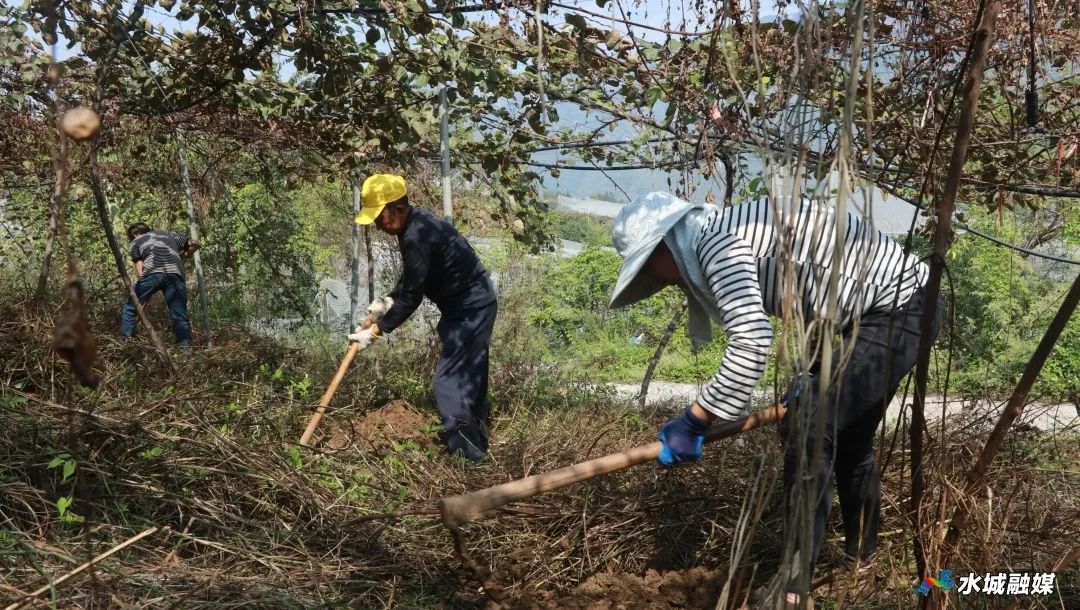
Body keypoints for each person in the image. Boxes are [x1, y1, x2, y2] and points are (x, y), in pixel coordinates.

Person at [608, 192, 941, 609]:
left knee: (810, 431)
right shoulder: (725, 232)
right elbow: (815, 294)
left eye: (647, 267)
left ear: (665, 244)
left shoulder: (717, 241)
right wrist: (813, 376)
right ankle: (863, 563)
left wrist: (695, 419)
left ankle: (792, 590)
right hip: (891, 312)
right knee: (847, 440)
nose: (656, 281)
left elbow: (752, 341)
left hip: (897, 310)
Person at [349, 174, 497, 462]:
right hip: (474, 306)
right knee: (469, 378)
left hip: (469, 310)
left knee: (449, 383)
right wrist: (384, 302)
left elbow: (413, 296)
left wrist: (377, 331)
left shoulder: (415, 234)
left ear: (397, 207)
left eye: (379, 217)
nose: (378, 225)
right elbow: (414, 277)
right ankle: (477, 446)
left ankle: (469, 457)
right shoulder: (419, 223)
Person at [121, 222, 200, 347]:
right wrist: (182, 255)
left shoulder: (136, 242)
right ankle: (185, 352)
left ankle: (127, 343)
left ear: (134, 234)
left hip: (152, 274)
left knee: (130, 307)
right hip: (175, 274)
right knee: (179, 314)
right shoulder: (168, 235)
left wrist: (143, 295)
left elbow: (140, 269)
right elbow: (195, 244)